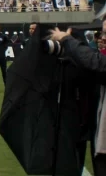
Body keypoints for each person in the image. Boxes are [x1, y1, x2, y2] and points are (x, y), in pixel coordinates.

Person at [50, 20, 106, 174]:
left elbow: (95, 62)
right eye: (102, 32)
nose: (102, 37)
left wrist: (66, 40)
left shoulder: (99, 60)